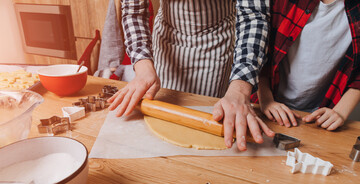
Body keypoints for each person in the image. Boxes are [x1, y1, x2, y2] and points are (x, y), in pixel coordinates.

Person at [108, 0, 276, 151]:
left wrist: (240, 91)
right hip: (166, 44)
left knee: (214, 127)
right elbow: (134, 10)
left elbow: (253, 16)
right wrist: (143, 66)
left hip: (216, 45)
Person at [257, 0, 360, 131]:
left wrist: (340, 112)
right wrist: (266, 99)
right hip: (265, 103)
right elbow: (261, 49)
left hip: (321, 115)